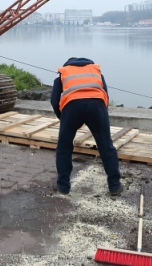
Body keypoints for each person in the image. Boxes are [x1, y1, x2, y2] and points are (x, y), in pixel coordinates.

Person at [51, 57, 122, 195]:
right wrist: (101, 116)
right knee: (106, 146)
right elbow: (105, 95)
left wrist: (63, 117)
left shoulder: (63, 72)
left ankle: (63, 186)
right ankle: (115, 186)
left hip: (72, 107)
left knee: (64, 147)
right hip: (97, 106)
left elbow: (54, 100)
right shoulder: (96, 71)